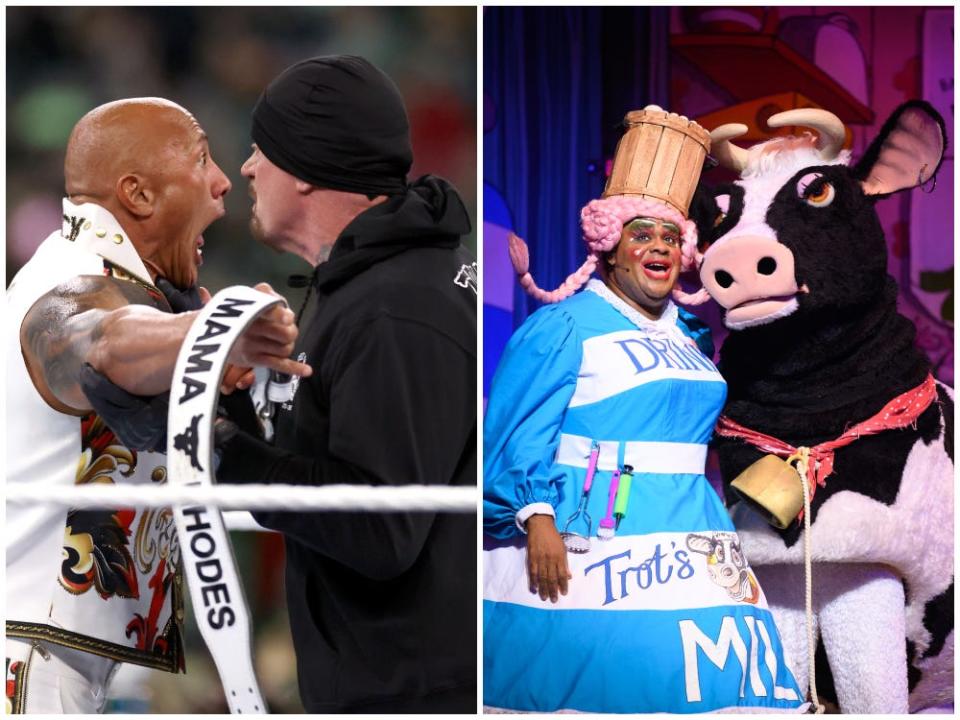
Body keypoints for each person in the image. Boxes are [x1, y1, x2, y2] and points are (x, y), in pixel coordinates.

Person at [482, 106, 804, 713]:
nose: (658, 247)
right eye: (641, 235)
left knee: (719, 679)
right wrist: (537, 517)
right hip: (595, 531)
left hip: (694, 525)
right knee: (620, 679)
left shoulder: (692, 335)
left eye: (670, 237)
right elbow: (517, 432)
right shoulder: (564, 326)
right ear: (609, 250)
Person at [5, 97, 310, 714]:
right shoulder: (66, 279)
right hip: (29, 659)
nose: (226, 181)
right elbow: (103, 343)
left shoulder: (129, 287)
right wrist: (214, 330)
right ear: (139, 195)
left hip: (64, 655)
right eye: (202, 159)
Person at [212, 56, 477, 713]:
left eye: (262, 149)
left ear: (305, 167)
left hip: (415, 695)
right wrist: (234, 404)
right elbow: (333, 477)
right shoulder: (374, 287)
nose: (245, 169)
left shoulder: (396, 308)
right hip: (392, 682)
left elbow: (379, 527)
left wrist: (221, 450)